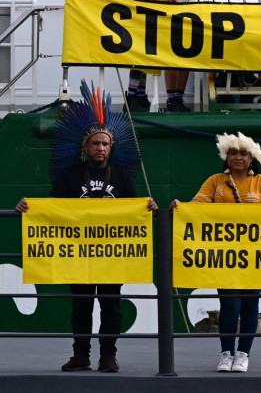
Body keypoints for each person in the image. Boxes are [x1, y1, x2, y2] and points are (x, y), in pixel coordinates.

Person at [15, 81, 158, 373]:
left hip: (112, 255)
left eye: (105, 144)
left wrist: (149, 208)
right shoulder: (69, 175)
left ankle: (108, 357)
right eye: (96, 143)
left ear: (111, 147)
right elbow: (51, 207)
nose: (100, 148)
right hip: (78, 254)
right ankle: (81, 355)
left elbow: (135, 210)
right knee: (81, 306)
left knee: (111, 306)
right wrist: (30, 208)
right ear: (86, 146)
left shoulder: (122, 176)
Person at [170, 132, 261, 373]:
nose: (238, 157)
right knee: (229, 304)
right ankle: (226, 354)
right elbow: (197, 205)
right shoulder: (215, 181)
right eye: (233, 153)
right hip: (224, 256)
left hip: (254, 256)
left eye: (243, 153)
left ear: (252, 158)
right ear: (226, 156)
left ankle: (243, 355)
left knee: (250, 304)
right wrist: (181, 207)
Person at [124, 0, 178, 113]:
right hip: (137, 16)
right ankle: (131, 98)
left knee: (144, 60)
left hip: (146, 17)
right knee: (138, 60)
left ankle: (140, 96)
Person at [157, 0, 193, 112]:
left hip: (191, 20)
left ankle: (178, 97)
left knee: (186, 57)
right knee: (171, 58)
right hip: (168, 19)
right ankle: (172, 98)